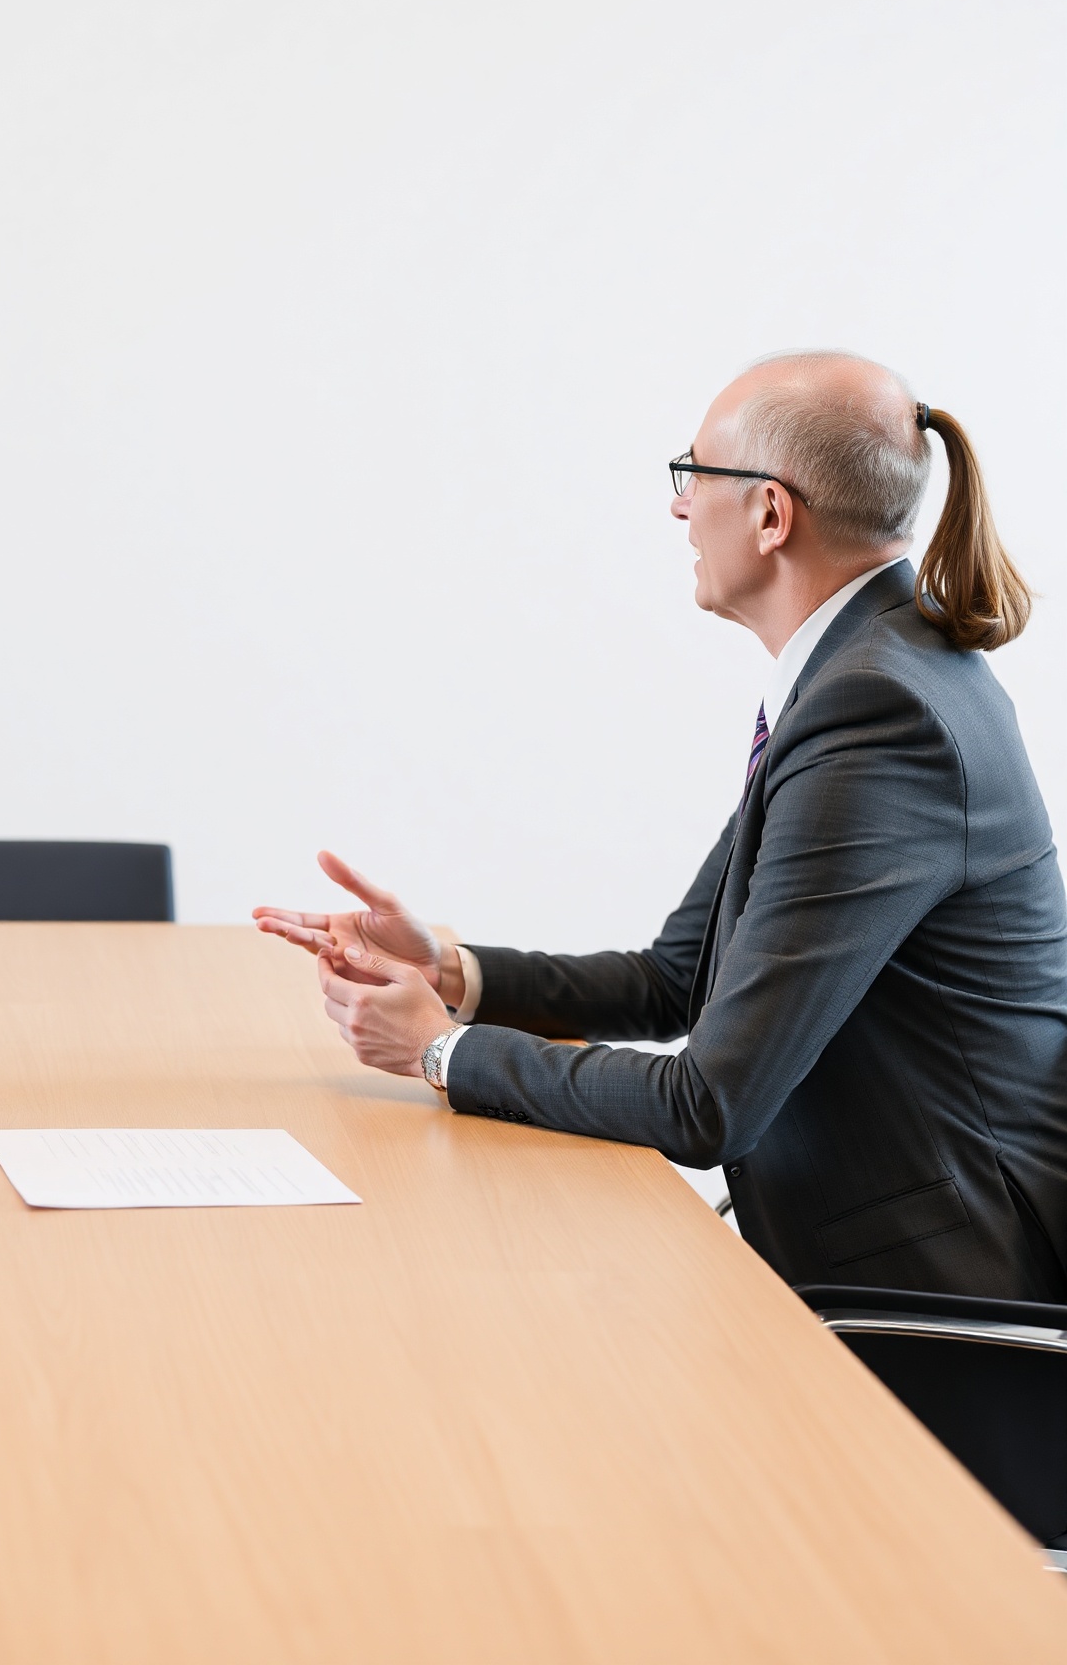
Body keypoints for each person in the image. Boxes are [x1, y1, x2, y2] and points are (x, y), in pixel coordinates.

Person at [256, 351, 1067, 1305]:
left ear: (771, 514)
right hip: (882, 1250)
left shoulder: (880, 715)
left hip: (946, 1295)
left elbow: (709, 1105)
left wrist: (441, 1052)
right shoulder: (864, 675)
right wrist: (449, 973)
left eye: (694, 473)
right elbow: (677, 979)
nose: (679, 508)